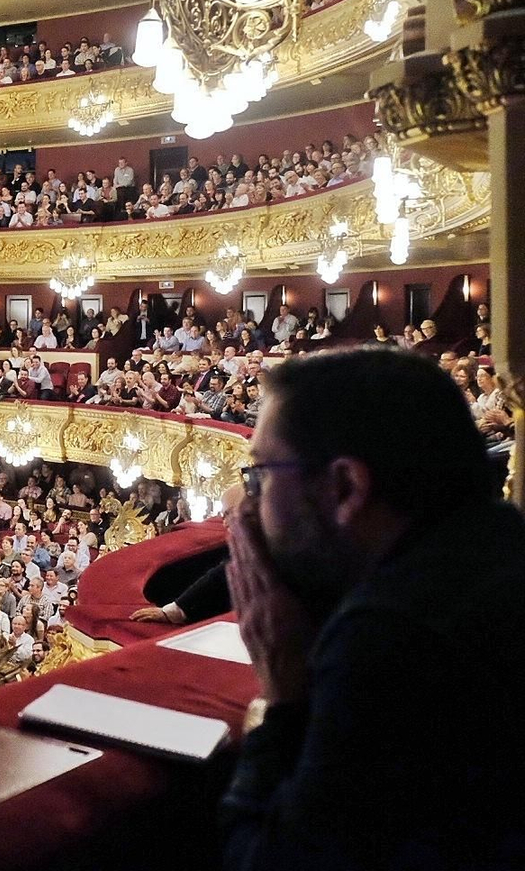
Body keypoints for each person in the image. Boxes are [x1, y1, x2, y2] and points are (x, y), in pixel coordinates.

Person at [221, 348, 525, 870]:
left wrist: (281, 698)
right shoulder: (499, 541)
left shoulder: (393, 635)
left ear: (345, 487)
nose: (248, 507)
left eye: (262, 476)